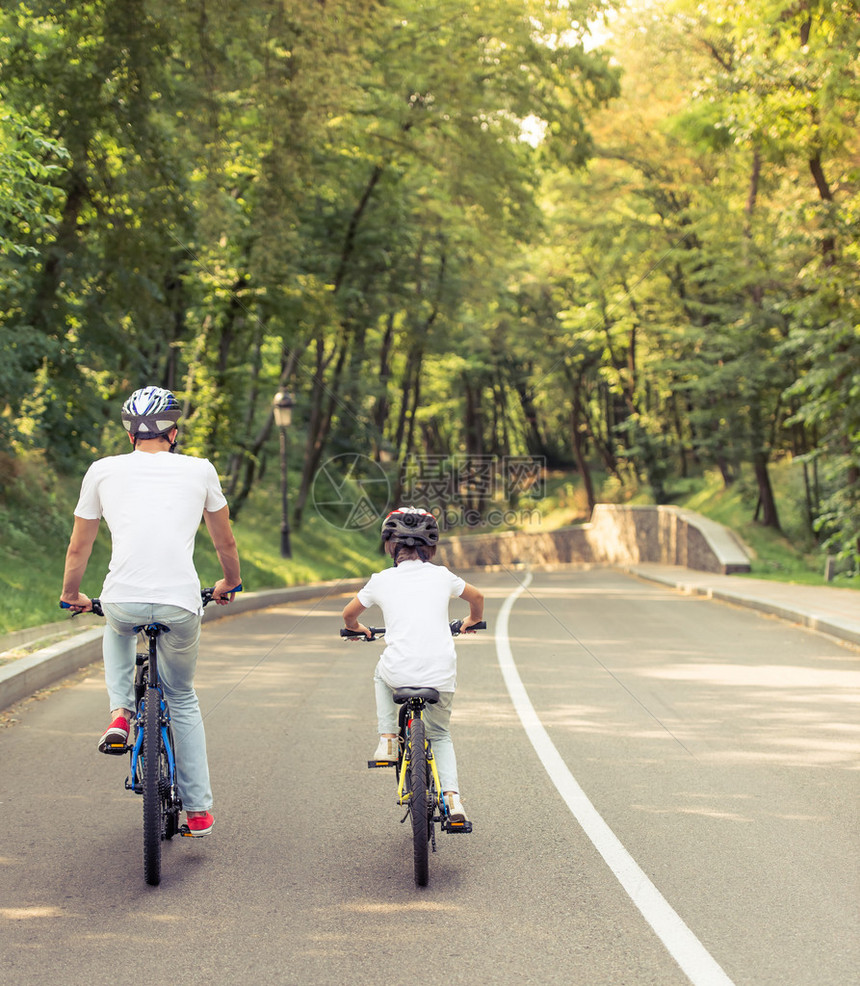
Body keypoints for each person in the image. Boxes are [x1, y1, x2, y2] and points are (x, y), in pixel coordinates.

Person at [60, 386, 242, 837]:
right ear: (174, 432)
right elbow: (225, 543)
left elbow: (79, 544)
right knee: (181, 697)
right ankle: (198, 811)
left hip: (123, 596)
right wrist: (229, 584)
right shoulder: (200, 470)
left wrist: (72, 595)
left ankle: (120, 710)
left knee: (118, 623)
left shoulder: (102, 471)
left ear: (129, 435)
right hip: (181, 602)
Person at [342, 506, 484, 823]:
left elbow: (348, 615)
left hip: (398, 671)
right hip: (440, 674)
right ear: (430, 547)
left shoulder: (381, 580)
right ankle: (453, 801)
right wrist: (471, 621)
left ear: (391, 546)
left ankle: (388, 740)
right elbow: (477, 597)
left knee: (380, 674)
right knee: (441, 735)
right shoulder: (443, 576)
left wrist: (358, 629)